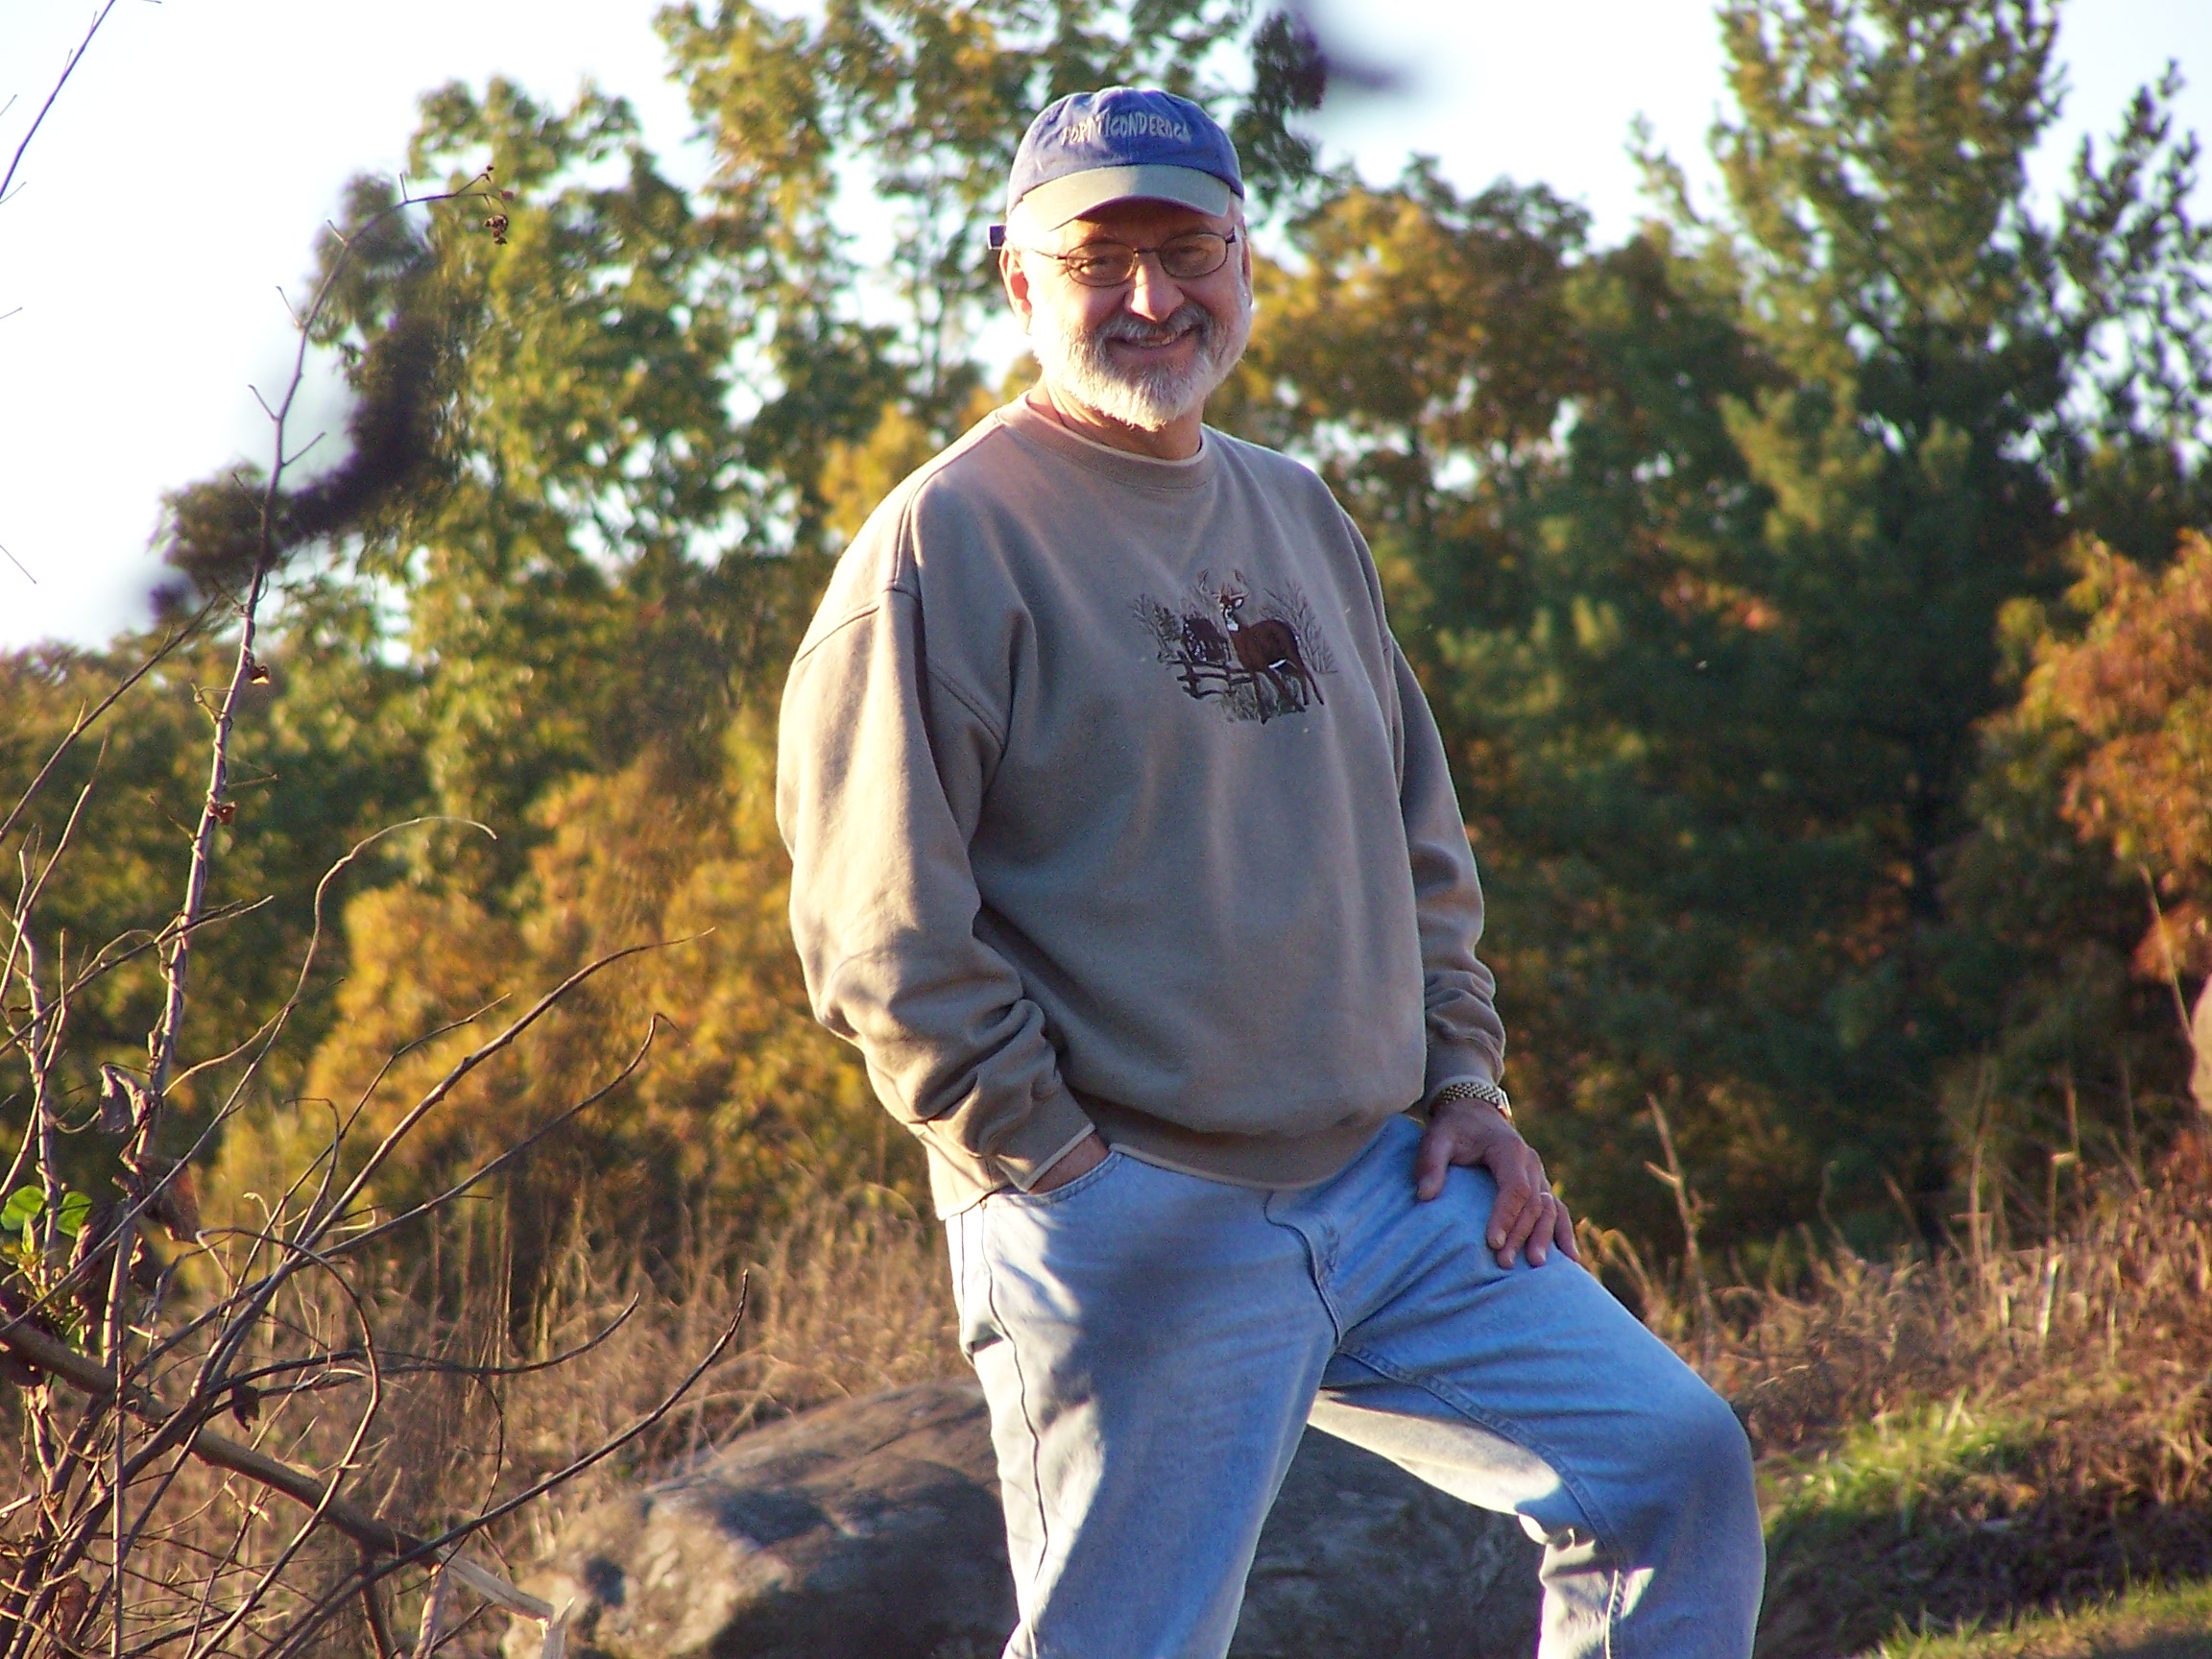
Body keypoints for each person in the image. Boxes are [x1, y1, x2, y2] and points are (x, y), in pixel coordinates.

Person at [777, 84, 1764, 1659]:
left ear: (1245, 262)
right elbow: (875, 931)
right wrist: (1060, 1171)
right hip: (1133, 1213)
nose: (1153, 296)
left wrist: (1466, 1086)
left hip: (1394, 1193)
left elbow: (1414, 835)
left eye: (1190, 251)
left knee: (1669, 1466)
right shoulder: (944, 541)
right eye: (1100, 260)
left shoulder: (1296, 510)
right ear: (1017, 276)